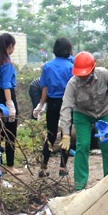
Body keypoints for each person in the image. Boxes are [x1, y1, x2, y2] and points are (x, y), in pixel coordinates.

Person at [59, 51, 108, 191]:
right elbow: (66, 108)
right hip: (82, 115)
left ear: (93, 68)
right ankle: (80, 184)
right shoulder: (72, 84)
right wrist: (66, 133)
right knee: (82, 146)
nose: (83, 76)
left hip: (104, 113)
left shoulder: (105, 75)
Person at [35, 38, 74, 177]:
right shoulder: (70, 67)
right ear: (68, 49)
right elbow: (74, 88)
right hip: (67, 103)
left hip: (52, 103)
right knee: (66, 134)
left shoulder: (47, 66)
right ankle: (63, 167)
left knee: (50, 134)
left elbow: (44, 88)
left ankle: (44, 166)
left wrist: (40, 105)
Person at [0, 33, 22, 175]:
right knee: (10, 132)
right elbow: (6, 85)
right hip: (6, 97)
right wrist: (10, 104)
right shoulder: (7, 64)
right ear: (10, 46)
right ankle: (9, 165)